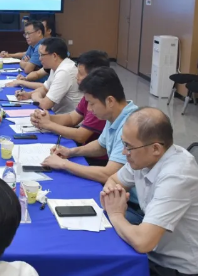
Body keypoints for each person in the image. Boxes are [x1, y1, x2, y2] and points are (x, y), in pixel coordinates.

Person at [100, 108, 198, 276]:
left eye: (128, 147)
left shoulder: (177, 176)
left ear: (155, 148)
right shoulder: (144, 158)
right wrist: (113, 196)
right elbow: (113, 180)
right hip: (157, 259)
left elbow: (143, 242)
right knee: (103, 271)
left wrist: (116, 213)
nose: (124, 152)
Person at [41, 67, 142, 224]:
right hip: (117, 193)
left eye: (91, 103)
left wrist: (64, 164)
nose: (89, 109)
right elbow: (101, 145)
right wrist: (71, 152)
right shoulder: (115, 115)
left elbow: (108, 174)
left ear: (110, 101)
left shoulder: (130, 125)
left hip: (133, 205)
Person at [31, 50, 110, 163]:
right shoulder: (89, 94)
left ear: (94, 76)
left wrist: (49, 125)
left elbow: (81, 136)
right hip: (84, 150)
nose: (76, 77)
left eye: (80, 73)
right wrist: (45, 118)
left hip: (94, 158)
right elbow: (72, 118)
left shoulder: (100, 102)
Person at [15, 37, 82, 112]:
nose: (39, 59)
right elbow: (45, 89)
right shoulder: (56, 66)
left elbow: (45, 105)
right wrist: (29, 94)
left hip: (67, 118)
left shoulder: (64, 71)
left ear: (54, 56)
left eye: (42, 55)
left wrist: (35, 97)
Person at [4, 20, 52, 88]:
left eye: (28, 33)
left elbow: (27, 69)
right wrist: (27, 65)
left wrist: (24, 63)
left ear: (39, 32)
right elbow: (24, 59)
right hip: (36, 82)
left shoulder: (42, 46)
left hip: (43, 84)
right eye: (25, 34)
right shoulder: (32, 45)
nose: (26, 37)